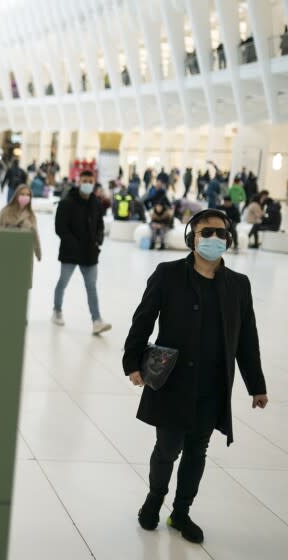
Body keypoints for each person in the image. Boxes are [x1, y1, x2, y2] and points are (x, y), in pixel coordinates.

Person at [123, 209, 268, 545]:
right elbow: (142, 320)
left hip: (213, 387)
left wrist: (256, 385)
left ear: (229, 240)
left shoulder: (238, 285)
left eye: (221, 233)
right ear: (192, 237)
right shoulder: (168, 274)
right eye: (206, 233)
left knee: (197, 452)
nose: (214, 239)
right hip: (172, 383)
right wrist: (132, 363)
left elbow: (247, 338)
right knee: (167, 448)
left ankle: (181, 511)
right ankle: (155, 498)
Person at [52, 170, 111, 335]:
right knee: (63, 281)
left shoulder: (96, 203)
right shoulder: (67, 202)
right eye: (84, 180)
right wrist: (73, 244)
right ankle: (57, 310)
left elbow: (100, 224)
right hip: (70, 252)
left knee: (91, 287)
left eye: (90, 180)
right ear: (79, 181)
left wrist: (98, 240)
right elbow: (60, 228)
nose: (87, 183)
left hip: (90, 253)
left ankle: (97, 320)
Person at [0, 185, 41, 262]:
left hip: (23, 253)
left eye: (28, 195)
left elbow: (35, 235)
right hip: (5, 250)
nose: (25, 197)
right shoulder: (6, 211)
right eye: (22, 194)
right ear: (16, 196)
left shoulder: (31, 215)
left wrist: (38, 253)